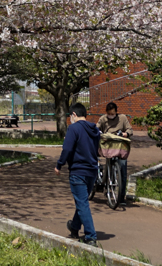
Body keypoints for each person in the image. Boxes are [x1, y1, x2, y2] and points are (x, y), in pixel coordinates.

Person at [54, 103, 101, 246]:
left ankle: (90, 236)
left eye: (70, 117)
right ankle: (74, 227)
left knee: (82, 203)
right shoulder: (95, 130)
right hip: (92, 170)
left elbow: (67, 148)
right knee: (82, 201)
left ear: (74, 114)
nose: (70, 120)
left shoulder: (73, 128)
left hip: (78, 171)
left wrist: (59, 165)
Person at [96, 101, 133, 205]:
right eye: (109, 114)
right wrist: (98, 133)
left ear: (116, 112)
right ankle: (102, 182)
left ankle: (121, 198)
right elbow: (96, 128)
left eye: (113, 114)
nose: (111, 116)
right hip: (108, 145)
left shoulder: (122, 118)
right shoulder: (103, 119)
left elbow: (130, 130)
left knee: (122, 170)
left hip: (119, 146)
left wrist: (126, 134)